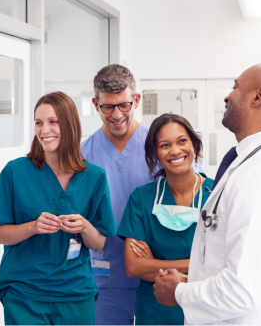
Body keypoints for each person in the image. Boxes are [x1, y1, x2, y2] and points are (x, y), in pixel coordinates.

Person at [153, 63, 261, 326]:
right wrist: (193, 281)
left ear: (258, 96)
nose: (228, 96)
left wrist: (180, 293)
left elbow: (243, 289)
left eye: (236, 87)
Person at [81, 64, 202, 326]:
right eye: (108, 107)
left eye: (124, 105)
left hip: (162, 272)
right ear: (95, 104)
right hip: (105, 275)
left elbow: (195, 191)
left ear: (136, 99)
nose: (117, 114)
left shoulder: (162, 143)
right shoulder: (83, 154)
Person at [0, 91, 117, 326]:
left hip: (75, 293)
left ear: (70, 124)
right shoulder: (15, 172)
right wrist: (32, 227)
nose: (45, 130)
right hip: (25, 292)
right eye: (39, 123)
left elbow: (99, 242)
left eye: (53, 122)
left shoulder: (94, 176)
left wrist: (85, 226)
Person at [117, 114, 214, 325]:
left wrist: (155, 265)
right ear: (155, 153)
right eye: (164, 145)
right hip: (155, 311)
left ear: (194, 144)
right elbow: (133, 267)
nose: (175, 151)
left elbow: (226, 266)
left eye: (182, 141)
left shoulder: (217, 193)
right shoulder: (141, 198)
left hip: (205, 309)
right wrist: (199, 266)